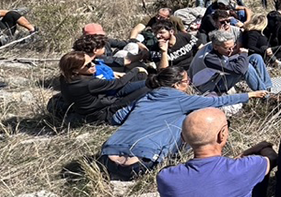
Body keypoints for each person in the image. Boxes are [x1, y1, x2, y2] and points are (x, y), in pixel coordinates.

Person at [100, 67, 266, 180]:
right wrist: (249, 95)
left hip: (107, 157)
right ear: (176, 85)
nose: (189, 83)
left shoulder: (145, 97)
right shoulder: (181, 99)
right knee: (189, 118)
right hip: (139, 163)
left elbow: (116, 118)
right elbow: (218, 101)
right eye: (187, 81)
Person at [57, 51, 148, 124]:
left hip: (106, 99)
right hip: (104, 112)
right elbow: (119, 82)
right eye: (88, 65)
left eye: (92, 62)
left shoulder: (66, 78)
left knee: (148, 83)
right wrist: (136, 70)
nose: (93, 65)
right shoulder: (88, 83)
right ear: (75, 70)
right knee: (149, 88)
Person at [189, 29, 272, 94]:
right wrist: (243, 54)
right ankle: (265, 96)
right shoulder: (209, 58)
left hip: (216, 76)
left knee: (256, 57)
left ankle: (268, 89)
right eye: (228, 48)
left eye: (233, 47)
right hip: (208, 85)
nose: (231, 51)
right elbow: (240, 70)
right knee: (246, 67)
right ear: (215, 46)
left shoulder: (215, 45)